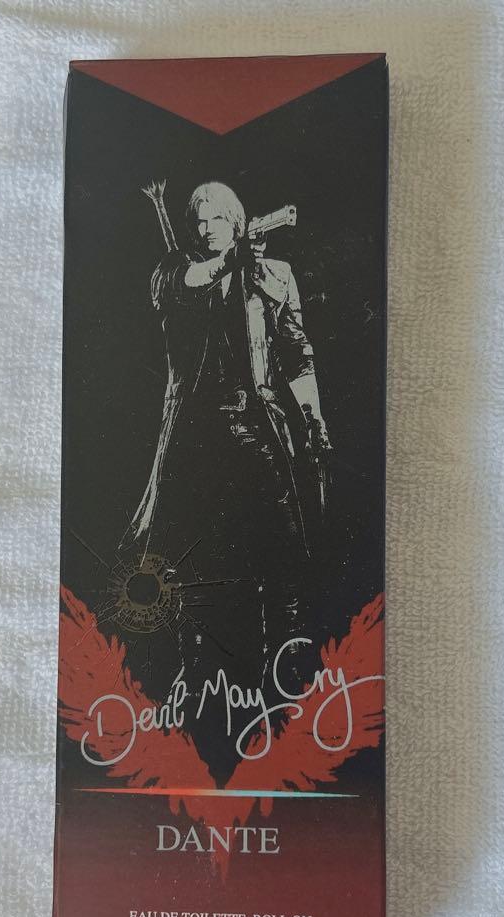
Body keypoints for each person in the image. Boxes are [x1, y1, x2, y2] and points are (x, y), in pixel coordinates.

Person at [121, 181, 331, 782]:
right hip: (191, 443)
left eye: (219, 216)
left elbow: (297, 355)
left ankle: (285, 690)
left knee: (280, 565)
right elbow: (193, 282)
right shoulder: (172, 275)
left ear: (238, 221)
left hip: (258, 436)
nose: (206, 225)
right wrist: (236, 252)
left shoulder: (273, 275)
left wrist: (315, 420)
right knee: (193, 576)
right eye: (199, 217)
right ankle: (203, 705)